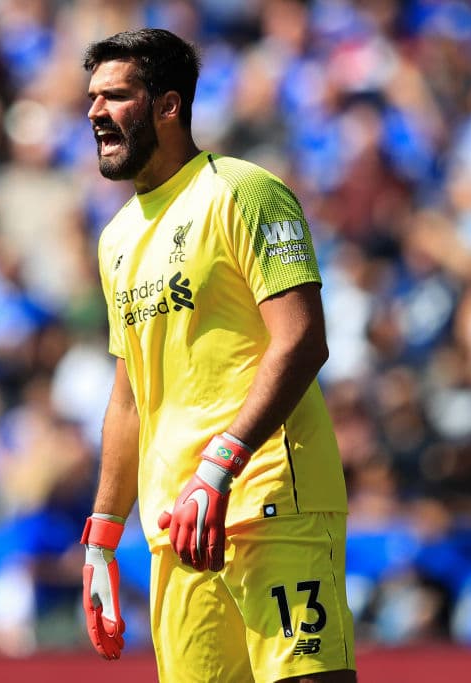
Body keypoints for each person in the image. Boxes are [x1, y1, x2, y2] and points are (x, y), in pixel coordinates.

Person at [78, 28, 356, 682]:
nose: (94, 113)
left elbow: (302, 338)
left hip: (268, 500)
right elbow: (129, 397)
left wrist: (222, 461)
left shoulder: (244, 191)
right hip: (177, 529)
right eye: (92, 97)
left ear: (168, 106)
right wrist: (101, 538)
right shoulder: (116, 238)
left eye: (115, 96)